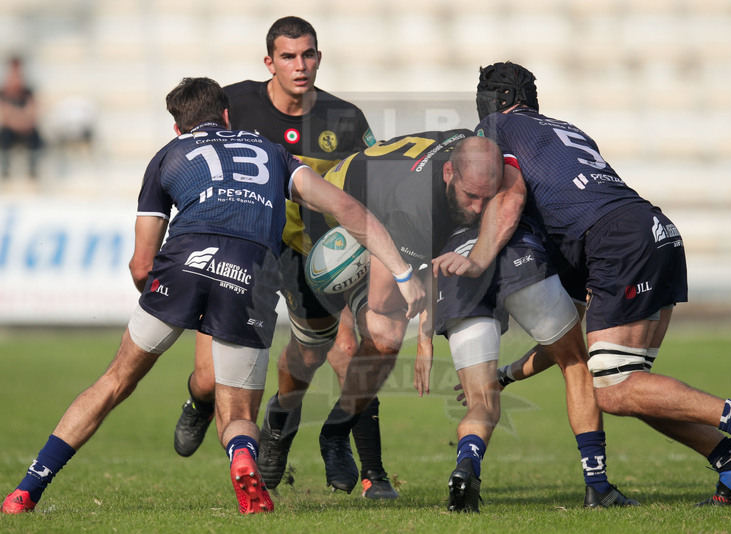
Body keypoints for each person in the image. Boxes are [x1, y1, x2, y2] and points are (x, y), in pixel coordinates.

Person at [1, 77, 424, 515]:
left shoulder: (169, 155)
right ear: (226, 114)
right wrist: (402, 271)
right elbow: (346, 208)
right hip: (251, 272)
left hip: (184, 260)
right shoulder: (273, 152)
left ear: (178, 127)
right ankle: (242, 456)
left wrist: (162, 301)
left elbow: (141, 264)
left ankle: (25, 491)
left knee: (113, 382)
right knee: (238, 411)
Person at [436, 61, 731, 506]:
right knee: (627, 384)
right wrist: (506, 375)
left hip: (616, 239)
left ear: (494, 103)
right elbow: (567, 334)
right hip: (652, 231)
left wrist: (478, 258)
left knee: (616, 388)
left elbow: (509, 194)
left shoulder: (497, 126)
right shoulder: (564, 134)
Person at [170, 16, 397, 499]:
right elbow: (190, 159)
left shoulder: (347, 119)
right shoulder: (235, 104)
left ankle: (370, 471)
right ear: (269, 62)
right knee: (212, 378)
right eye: (289, 57)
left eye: (309, 54)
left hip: (316, 254)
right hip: (248, 248)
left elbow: (377, 189)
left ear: (319, 57)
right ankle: (199, 402)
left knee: (344, 352)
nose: (301, 65)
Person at [255, 130, 505, 494]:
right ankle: (279, 422)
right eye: (471, 197)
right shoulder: (417, 208)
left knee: (385, 338)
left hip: (375, 219)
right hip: (312, 231)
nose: (478, 209)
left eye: (488, 198)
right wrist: (421, 318)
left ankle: (336, 432)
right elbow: (382, 300)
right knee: (312, 352)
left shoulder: (472, 150)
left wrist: (424, 335)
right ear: (449, 172)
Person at [415, 218, 637, 512]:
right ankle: (597, 487)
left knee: (481, 400)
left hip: (457, 265)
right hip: (519, 252)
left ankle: (467, 465)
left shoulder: (450, 202)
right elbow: (559, 348)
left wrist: (424, 339)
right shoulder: (559, 216)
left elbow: (427, 265)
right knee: (575, 363)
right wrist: (508, 375)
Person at [0, 56, 43, 179]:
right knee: (4, 137)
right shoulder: (3, 93)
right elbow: (4, 116)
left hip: (27, 130)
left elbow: (33, 114)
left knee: (37, 139)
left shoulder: (28, 92)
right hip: (10, 131)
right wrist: (21, 117)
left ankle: (33, 174)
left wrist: (15, 116)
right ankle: (5, 173)